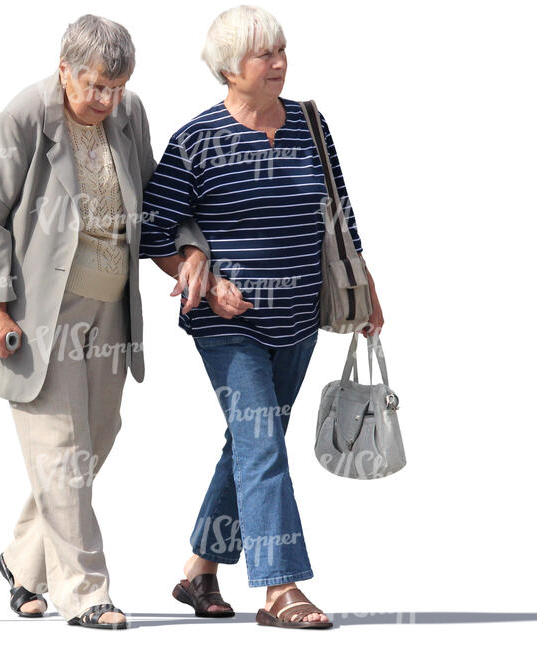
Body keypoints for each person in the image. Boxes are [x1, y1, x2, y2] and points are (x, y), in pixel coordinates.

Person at [139, 5, 385, 630]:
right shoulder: (196, 139)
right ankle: (280, 588)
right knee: (261, 441)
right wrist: (206, 279)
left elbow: (338, 208)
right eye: (262, 55)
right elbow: (152, 232)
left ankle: (199, 569)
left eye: (281, 51)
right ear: (228, 69)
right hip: (227, 322)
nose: (277, 63)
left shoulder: (309, 122)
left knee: (252, 441)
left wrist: (366, 285)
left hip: (299, 315)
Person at [0, 13, 211, 629]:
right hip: (36, 315)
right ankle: (85, 592)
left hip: (109, 308)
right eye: (96, 85)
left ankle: (21, 562)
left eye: (118, 86)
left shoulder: (129, 115)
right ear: (65, 68)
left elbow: (154, 198)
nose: (107, 99)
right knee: (60, 451)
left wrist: (189, 249)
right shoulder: (25, 117)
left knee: (96, 438)